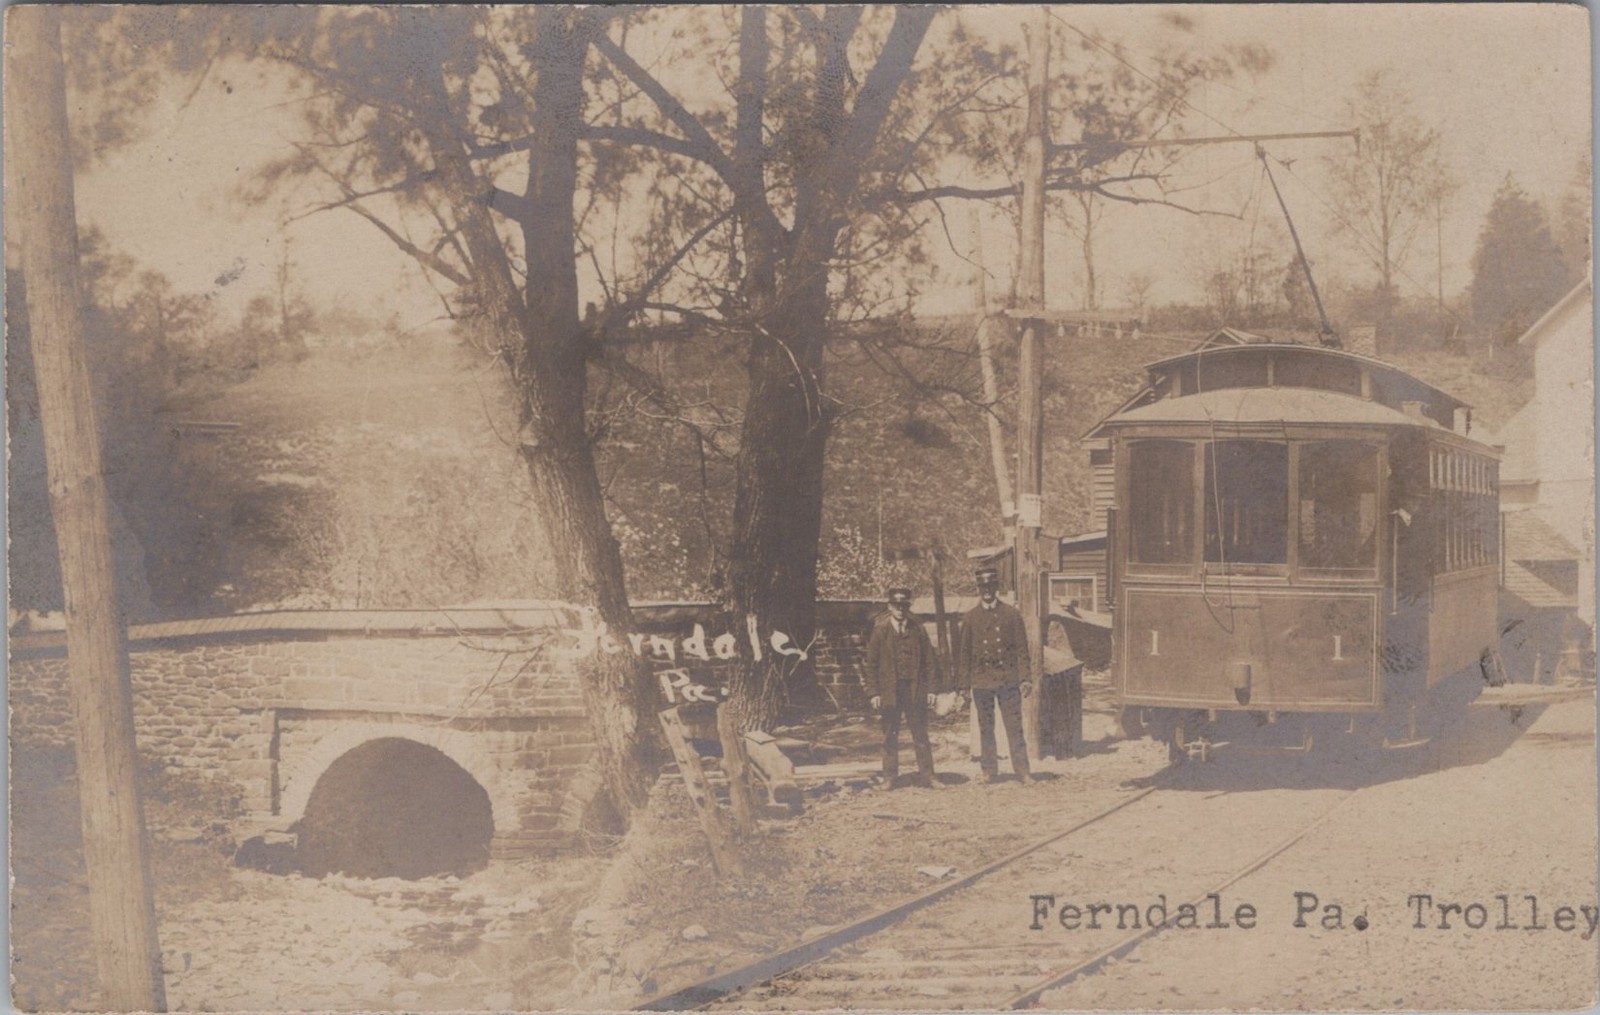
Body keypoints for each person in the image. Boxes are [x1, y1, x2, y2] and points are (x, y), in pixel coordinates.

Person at [957, 567, 1033, 783]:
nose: (987, 591)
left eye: (990, 587)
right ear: (979, 589)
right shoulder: (971, 618)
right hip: (982, 681)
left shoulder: (1011, 614)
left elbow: (1022, 649)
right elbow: (963, 654)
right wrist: (963, 685)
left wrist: (1025, 677)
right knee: (986, 728)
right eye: (983, 587)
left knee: (1014, 727)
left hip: (1008, 680)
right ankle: (989, 770)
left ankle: (1023, 771)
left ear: (996, 588)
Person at [863, 586, 939, 789]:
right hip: (890, 692)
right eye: (896, 605)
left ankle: (927, 775)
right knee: (890, 735)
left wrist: (931, 689)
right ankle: (890, 777)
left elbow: (930, 661)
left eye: (904, 605)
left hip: (915, 690)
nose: (900, 609)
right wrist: (874, 692)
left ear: (908, 606)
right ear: (890, 606)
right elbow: (871, 664)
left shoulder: (918, 629)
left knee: (920, 734)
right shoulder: (880, 631)